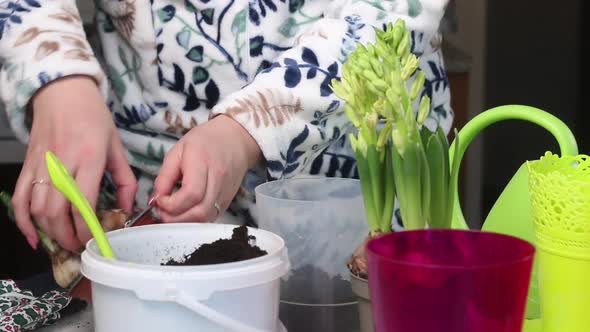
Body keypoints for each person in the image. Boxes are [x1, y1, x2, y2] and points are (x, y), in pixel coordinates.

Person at [0, 0, 453, 253]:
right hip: (144, 206)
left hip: (356, 217)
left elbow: (388, 17)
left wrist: (247, 130)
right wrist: (57, 76)